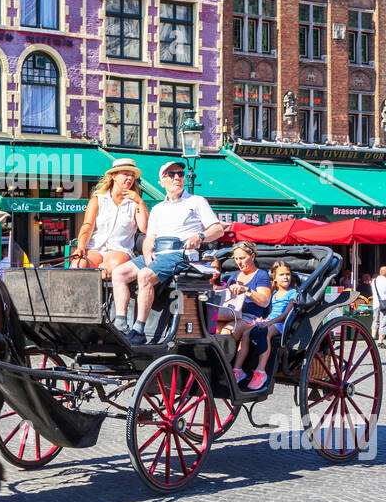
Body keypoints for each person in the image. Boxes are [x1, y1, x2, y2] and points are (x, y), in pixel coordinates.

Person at [110, 161, 225, 345]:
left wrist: (200, 236)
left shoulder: (196, 202)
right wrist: (147, 252)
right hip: (159, 253)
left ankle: (139, 329)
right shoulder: (157, 209)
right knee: (119, 273)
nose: (178, 178)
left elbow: (218, 229)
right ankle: (121, 323)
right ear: (162, 181)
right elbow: (150, 237)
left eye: (180, 174)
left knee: (145, 275)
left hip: (181, 253)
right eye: (172, 175)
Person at [71, 158, 149, 275]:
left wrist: (140, 201)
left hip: (120, 249)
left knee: (109, 268)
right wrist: (81, 246)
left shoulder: (134, 203)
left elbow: (145, 228)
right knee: (77, 266)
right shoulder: (98, 200)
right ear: (114, 176)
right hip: (95, 248)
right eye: (126, 174)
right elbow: (87, 226)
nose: (130, 178)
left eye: (132, 176)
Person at [232, 261, 297, 390]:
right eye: (282, 275)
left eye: (288, 274)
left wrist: (269, 322)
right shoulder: (273, 293)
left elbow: (286, 314)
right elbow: (269, 311)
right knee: (246, 333)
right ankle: (237, 369)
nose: (285, 277)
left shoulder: (292, 293)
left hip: (282, 323)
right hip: (270, 321)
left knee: (264, 332)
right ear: (275, 278)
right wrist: (261, 320)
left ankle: (261, 371)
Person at [218, 242, 273, 336]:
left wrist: (246, 290)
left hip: (249, 317)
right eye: (236, 258)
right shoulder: (233, 277)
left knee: (226, 333)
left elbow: (265, 302)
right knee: (212, 330)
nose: (239, 262)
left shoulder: (261, 275)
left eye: (242, 258)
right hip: (231, 314)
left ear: (252, 256)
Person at [371, 265, 386, 346]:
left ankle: (372, 338)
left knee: (376, 320)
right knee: (384, 321)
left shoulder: (374, 281)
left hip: (375, 303)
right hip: (385, 304)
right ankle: (380, 341)